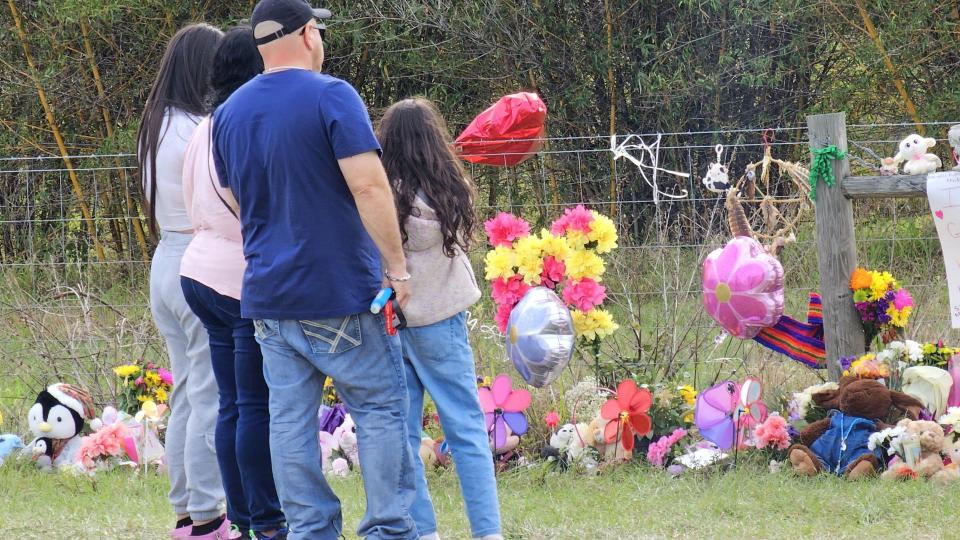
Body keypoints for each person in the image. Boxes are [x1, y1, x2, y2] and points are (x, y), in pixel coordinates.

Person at [212, 1, 417, 538]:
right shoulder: (332, 95)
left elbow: (233, 198)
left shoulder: (229, 113)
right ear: (307, 34)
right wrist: (397, 269)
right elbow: (369, 185)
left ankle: (310, 528)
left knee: (288, 421)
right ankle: (389, 529)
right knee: (378, 410)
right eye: (318, 29)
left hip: (269, 299)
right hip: (340, 292)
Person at [377, 98, 504, 540]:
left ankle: (423, 531)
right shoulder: (452, 189)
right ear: (435, 139)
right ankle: (487, 532)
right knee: (466, 427)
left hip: (394, 321)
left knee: (404, 434)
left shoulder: (379, 195)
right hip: (443, 321)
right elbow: (465, 239)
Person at [180, 26, 287, 540]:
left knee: (230, 404)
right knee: (254, 406)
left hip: (197, 269)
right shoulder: (242, 122)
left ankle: (243, 517)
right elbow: (251, 201)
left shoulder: (202, 126)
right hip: (237, 277)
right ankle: (265, 519)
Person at [136, 23, 232, 540]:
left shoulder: (155, 123)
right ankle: (208, 514)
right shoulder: (200, 127)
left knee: (186, 394)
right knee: (208, 394)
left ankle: (185, 511)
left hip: (164, 261)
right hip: (196, 258)